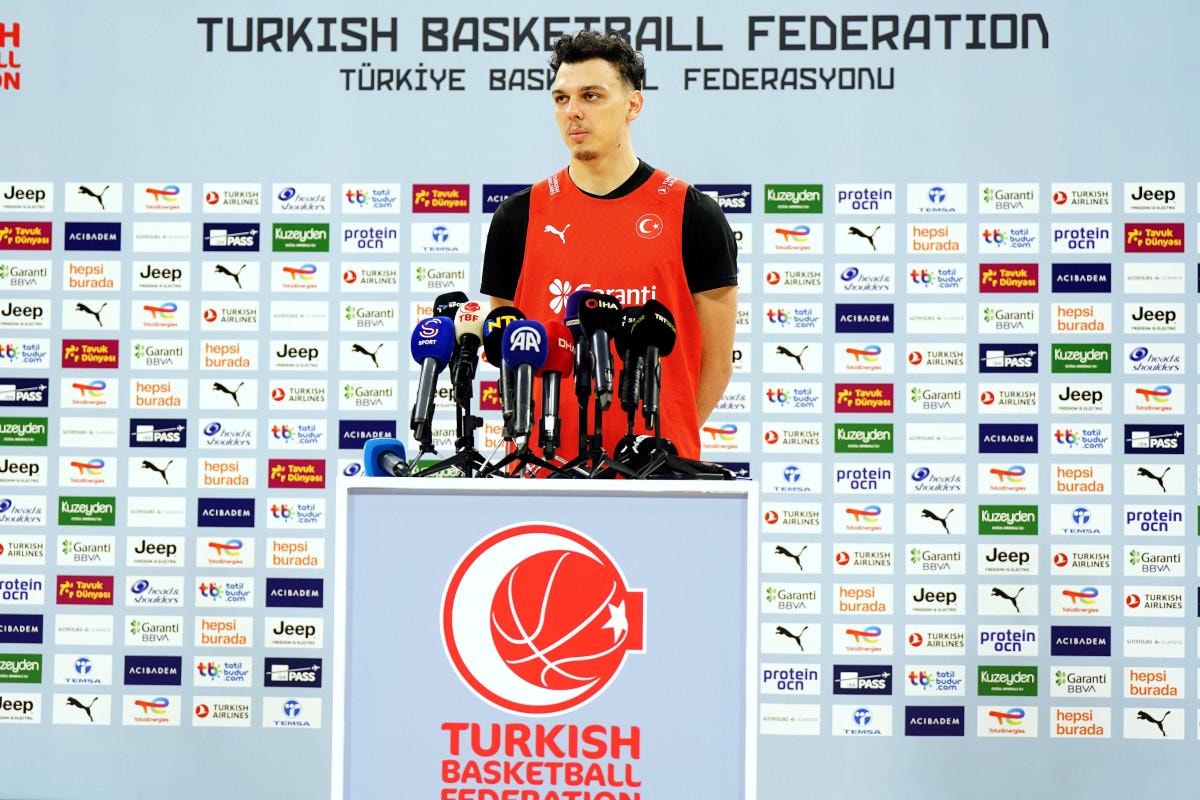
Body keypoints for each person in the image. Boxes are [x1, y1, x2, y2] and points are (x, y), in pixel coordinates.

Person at [480, 30, 738, 461]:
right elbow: (508, 349)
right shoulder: (517, 218)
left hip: (654, 474)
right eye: (561, 99)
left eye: (592, 96)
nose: (573, 112)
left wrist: (666, 445)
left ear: (633, 105)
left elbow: (717, 364)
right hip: (542, 470)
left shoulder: (693, 214)